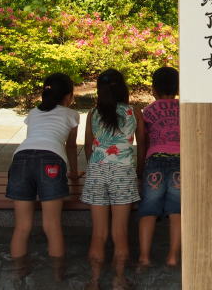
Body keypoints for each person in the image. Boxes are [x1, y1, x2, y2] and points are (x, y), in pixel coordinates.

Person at [5, 72, 81, 281]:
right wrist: (73, 173)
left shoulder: (33, 113)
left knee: (21, 227)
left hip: (20, 160)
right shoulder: (71, 114)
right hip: (51, 160)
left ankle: (18, 274)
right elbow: (71, 147)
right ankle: (58, 277)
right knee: (52, 225)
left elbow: (34, 140)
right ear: (68, 97)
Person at [81, 69, 140, 290]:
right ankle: (119, 281)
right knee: (120, 232)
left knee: (98, 233)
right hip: (123, 173)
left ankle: (94, 281)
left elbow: (88, 146)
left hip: (97, 171)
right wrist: (140, 170)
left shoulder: (93, 113)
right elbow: (141, 142)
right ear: (123, 89)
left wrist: (95, 167)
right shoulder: (135, 112)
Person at [136, 66, 181, 268]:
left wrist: (140, 166)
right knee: (177, 210)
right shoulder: (185, 108)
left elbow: (143, 140)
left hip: (155, 160)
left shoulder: (149, 110)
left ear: (153, 89)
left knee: (149, 209)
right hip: (180, 161)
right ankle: (172, 256)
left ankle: (144, 256)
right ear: (178, 87)